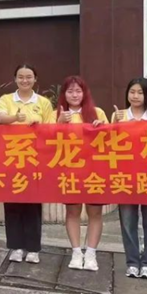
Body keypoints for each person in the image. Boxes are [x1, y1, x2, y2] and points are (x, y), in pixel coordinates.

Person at [0, 64, 54, 264]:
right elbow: (1, 117)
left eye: (29, 77)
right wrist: (15, 117)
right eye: (20, 77)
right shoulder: (6, 99)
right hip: (11, 158)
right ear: (15, 79)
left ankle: (33, 248)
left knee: (33, 205)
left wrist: (40, 126)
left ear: (35, 79)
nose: (24, 80)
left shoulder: (43, 102)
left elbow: (51, 128)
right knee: (12, 204)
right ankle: (15, 247)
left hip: (34, 160)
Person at [111, 78, 147, 279]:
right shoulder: (119, 116)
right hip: (125, 178)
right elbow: (109, 144)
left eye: (140, 92)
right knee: (127, 222)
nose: (135, 96)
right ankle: (132, 262)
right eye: (132, 92)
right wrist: (114, 124)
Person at [54, 76, 108, 271]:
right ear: (64, 94)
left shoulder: (97, 112)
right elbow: (45, 141)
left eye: (78, 91)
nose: (75, 95)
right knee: (73, 211)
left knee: (95, 212)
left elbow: (110, 140)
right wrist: (59, 123)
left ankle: (91, 253)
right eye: (70, 91)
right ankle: (76, 252)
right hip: (69, 171)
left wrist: (102, 128)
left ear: (85, 93)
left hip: (94, 170)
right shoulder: (57, 113)